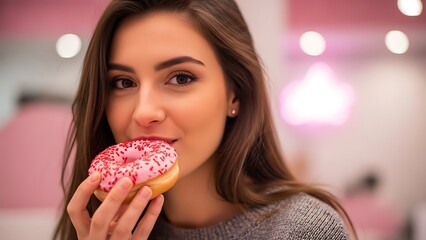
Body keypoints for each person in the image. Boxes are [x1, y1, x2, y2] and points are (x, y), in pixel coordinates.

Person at [54, 0, 356, 239]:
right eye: (123, 83)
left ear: (234, 95)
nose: (143, 112)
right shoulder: (96, 229)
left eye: (181, 78)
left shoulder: (303, 230)